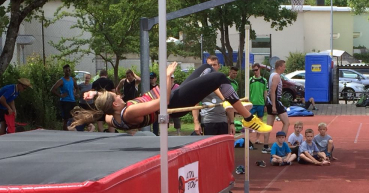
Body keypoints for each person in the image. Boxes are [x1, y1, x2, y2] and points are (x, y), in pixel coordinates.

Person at [69, 61, 270, 134]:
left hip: (174, 95)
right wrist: (166, 76)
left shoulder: (111, 114)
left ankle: (227, 100)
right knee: (218, 77)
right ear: (115, 103)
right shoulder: (129, 111)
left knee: (207, 68)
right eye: (116, 96)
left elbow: (103, 110)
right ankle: (248, 119)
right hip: (174, 101)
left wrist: (95, 95)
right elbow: (163, 103)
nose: (119, 95)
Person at [183, 56, 271, 133]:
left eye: (214, 65)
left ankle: (248, 117)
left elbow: (231, 104)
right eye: (210, 65)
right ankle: (248, 118)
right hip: (208, 121)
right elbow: (196, 104)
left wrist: (232, 122)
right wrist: (196, 122)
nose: (212, 67)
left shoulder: (224, 81)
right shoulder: (201, 83)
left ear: (218, 66)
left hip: (223, 120)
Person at [262, 59, 289, 154]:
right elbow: (272, 91)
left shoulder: (272, 75)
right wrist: (274, 105)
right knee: (286, 123)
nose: (285, 68)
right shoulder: (276, 76)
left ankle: (265, 146)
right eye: (284, 66)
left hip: (271, 101)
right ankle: (281, 144)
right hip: (275, 102)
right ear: (279, 67)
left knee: (268, 126)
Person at [50, 64, 79, 131]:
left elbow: (77, 87)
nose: (68, 72)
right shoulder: (61, 80)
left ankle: (73, 129)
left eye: (69, 70)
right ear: (64, 71)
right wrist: (60, 95)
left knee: (75, 116)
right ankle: (65, 131)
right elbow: (52, 89)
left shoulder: (72, 79)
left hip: (72, 101)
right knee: (66, 119)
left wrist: (76, 94)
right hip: (65, 101)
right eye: (66, 71)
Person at [249, 63, 268, 144]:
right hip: (252, 104)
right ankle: (248, 139)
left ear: (259, 69)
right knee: (249, 121)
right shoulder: (250, 80)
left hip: (261, 104)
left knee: (260, 122)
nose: (255, 72)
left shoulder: (264, 80)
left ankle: (257, 139)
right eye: (253, 70)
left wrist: (266, 104)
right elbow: (248, 92)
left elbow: (265, 93)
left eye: (256, 70)